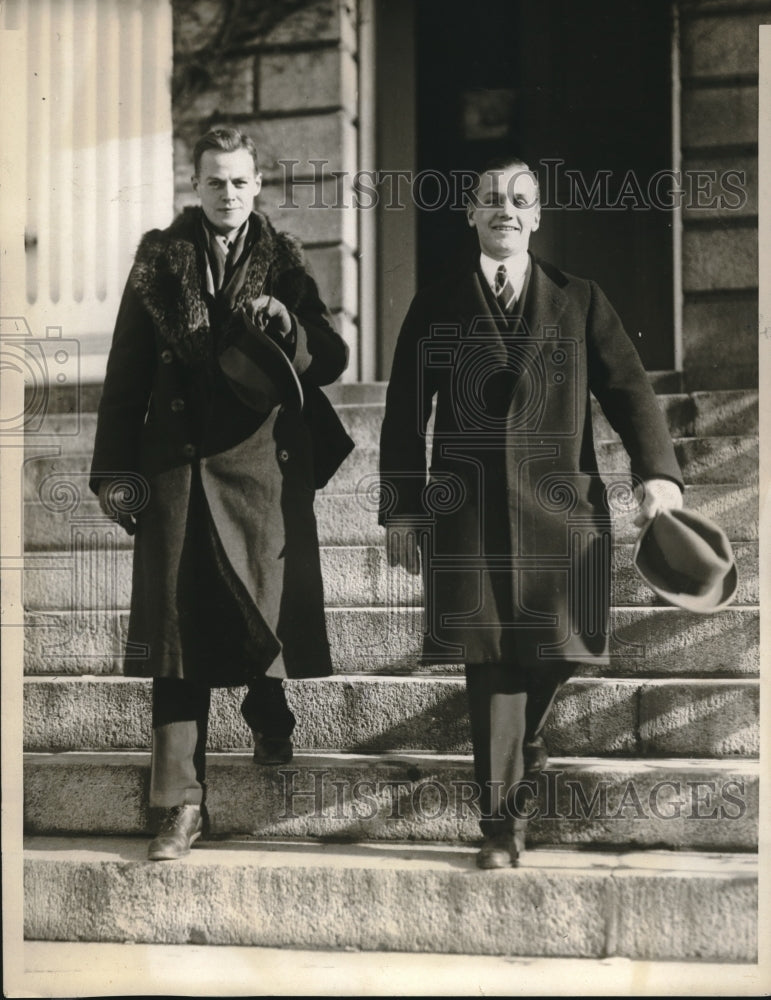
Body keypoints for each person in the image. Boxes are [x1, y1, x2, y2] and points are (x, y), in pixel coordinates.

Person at [378, 156, 683, 869]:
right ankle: (499, 826)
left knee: (560, 650)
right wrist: (402, 507)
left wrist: (656, 475)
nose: (503, 211)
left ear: (537, 216)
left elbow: (629, 391)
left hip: (562, 510)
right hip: (470, 514)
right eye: (489, 200)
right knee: (490, 666)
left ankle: (527, 744)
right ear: (470, 214)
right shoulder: (437, 302)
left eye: (518, 201)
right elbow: (400, 412)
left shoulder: (578, 299)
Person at [90, 127, 350, 860]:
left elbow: (330, 360)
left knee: (256, 608)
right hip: (173, 468)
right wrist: (115, 474)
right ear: (194, 185)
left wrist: (289, 325)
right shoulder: (158, 261)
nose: (227, 194)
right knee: (175, 633)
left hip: (257, 468)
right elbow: (125, 372)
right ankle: (176, 805)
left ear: (257, 184)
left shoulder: (287, 261)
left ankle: (269, 708)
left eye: (238, 182)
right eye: (213, 182)